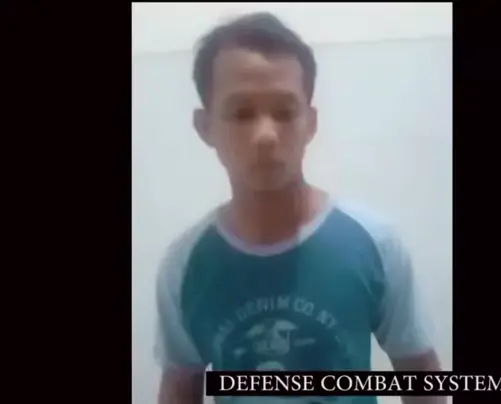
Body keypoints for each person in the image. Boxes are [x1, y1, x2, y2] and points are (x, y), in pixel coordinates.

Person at [154, 12, 444, 404]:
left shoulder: (375, 244)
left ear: (310, 122)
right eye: (241, 113)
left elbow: (420, 373)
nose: (265, 135)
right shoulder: (185, 265)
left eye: (285, 112)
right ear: (205, 127)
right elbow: (180, 388)